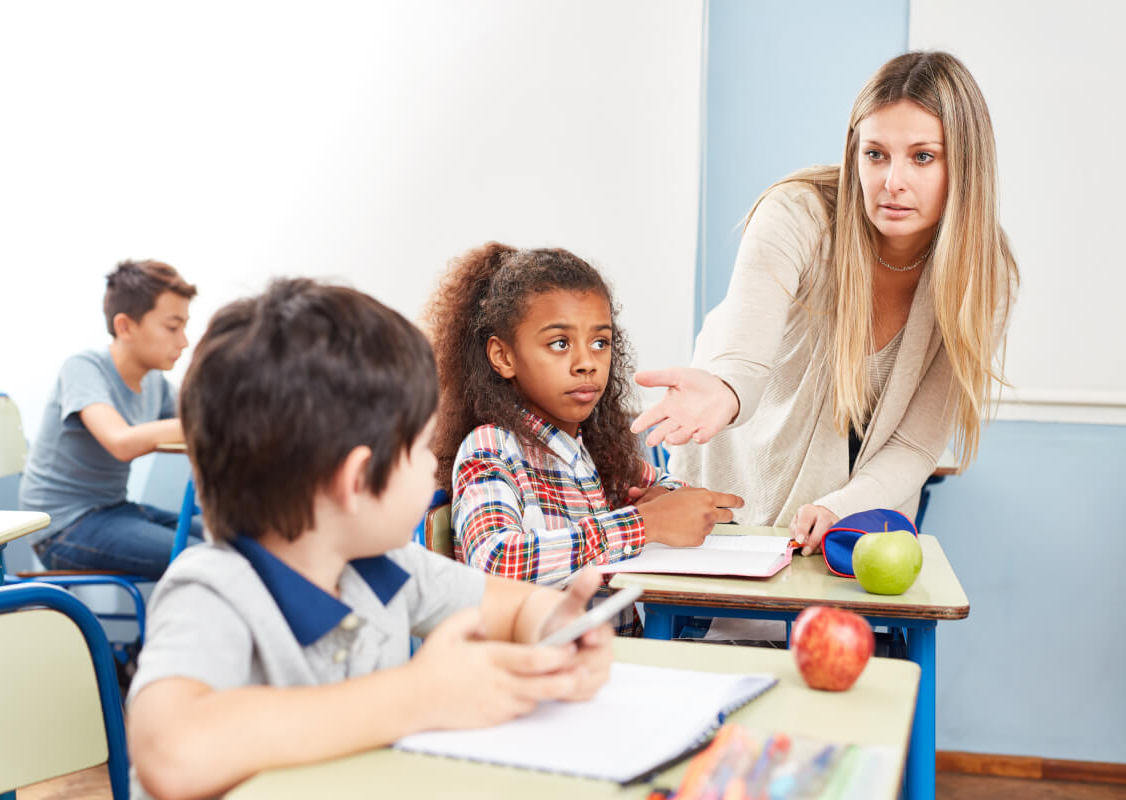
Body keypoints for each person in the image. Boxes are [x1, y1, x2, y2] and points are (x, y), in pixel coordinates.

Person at [127, 278, 614, 800]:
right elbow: (172, 752)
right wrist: (418, 696)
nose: (432, 467)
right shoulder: (213, 590)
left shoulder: (385, 565)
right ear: (357, 480)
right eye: (422, 448)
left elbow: (513, 607)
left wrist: (556, 627)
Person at [632, 51, 1018, 556]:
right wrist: (724, 390)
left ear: (965, 164)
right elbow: (744, 358)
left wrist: (844, 504)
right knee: (719, 620)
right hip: (745, 446)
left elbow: (916, 442)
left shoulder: (984, 275)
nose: (891, 182)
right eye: (875, 154)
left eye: (922, 157)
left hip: (859, 486)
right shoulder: (798, 213)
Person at [425, 242, 741, 632]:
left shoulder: (593, 448)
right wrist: (643, 523)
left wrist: (667, 500)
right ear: (503, 357)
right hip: (544, 679)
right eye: (560, 343)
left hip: (616, 664)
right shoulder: (491, 447)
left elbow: (666, 487)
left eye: (600, 342)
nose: (586, 363)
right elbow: (495, 561)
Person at [20, 259, 204, 579]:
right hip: (62, 528)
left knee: (232, 541)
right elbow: (120, 442)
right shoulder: (83, 368)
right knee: (198, 558)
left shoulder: (154, 384)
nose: (184, 341)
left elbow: (196, 419)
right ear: (125, 326)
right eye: (173, 327)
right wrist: (211, 424)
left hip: (114, 509)